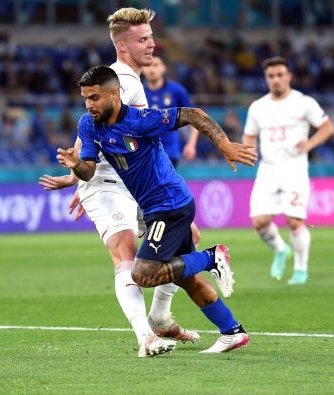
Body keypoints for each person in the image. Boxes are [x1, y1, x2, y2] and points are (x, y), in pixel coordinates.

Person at [58, 65, 258, 354]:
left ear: (115, 94)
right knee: (183, 276)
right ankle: (232, 332)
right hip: (155, 209)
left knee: (142, 274)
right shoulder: (89, 125)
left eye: (95, 97)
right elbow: (88, 171)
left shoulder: (141, 121)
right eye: (85, 98)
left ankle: (211, 257)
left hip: (171, 205)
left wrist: (224, 144)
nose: (89, 104)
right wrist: (76, 164)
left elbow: (193, 114)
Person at [39, 8, 199, 358]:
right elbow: (91, 128)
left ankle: (160, 316)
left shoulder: (130, 79)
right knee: (126, 252)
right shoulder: (122, 81)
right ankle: (146, 337)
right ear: (122, 46)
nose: (152, 44)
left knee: (187, 238)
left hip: (130, 181)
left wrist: (76, 177)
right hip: (107, 183)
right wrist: (81, 178)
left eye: (151, 37)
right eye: (143, 39)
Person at [242, 57, 334, 285]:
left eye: (280, 75)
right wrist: (249, 152)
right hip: (268, 169)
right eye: (271, 76)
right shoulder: (258, 107)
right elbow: (250, 135)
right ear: (266, 78)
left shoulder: (304, 102)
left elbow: (327, 126)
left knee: (295, 221)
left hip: (295, 169)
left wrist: (310, 144)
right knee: (259, 222)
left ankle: (300, 271)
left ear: (289, 76)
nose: (276, 79)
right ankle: (281, 250)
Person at [142, 54, 201, 246]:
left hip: (169, 153)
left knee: (161, 197)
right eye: (148, 65)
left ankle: (182, 236)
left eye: (156, 64)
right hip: (145, 155)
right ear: (142, 69)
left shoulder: (176, 90)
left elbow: (195, 117)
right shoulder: (138, 92)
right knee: (161, 198)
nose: (152, 69)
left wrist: (191, 143)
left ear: (163, 68)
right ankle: (185, 237)